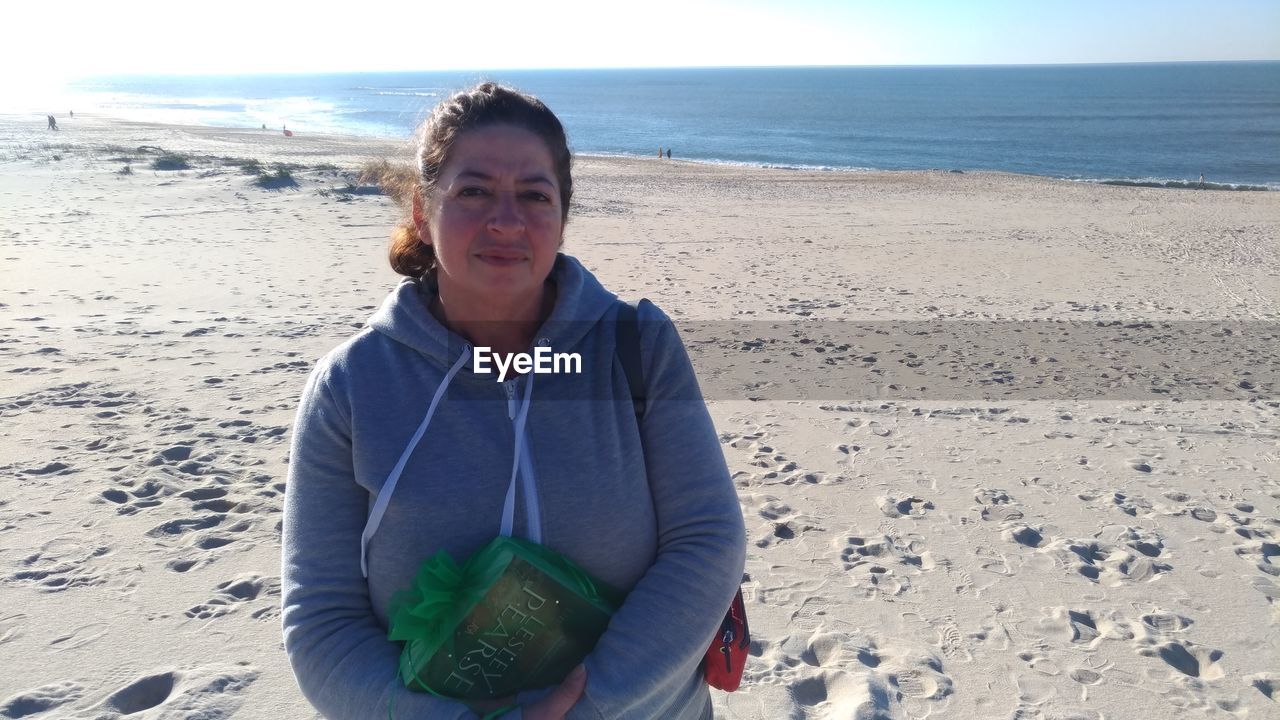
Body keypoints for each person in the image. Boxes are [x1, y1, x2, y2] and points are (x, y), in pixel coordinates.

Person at [282, 82, 746, 720]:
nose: (506, 220)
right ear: (422, 210)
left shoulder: (636, 347)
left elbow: (708, 541)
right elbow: (320, 618)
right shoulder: (352, 386)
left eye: (534, 195)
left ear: (561, 216)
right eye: (473, 191)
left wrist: (592, 704)